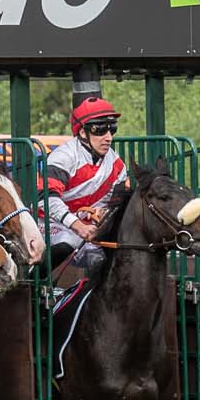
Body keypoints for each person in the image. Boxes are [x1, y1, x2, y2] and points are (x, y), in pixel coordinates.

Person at [44, 96, 127, 276]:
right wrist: (77, 225)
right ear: (82, 132)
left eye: (112, 129)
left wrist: (104, 213)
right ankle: (33, 287)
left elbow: (115, 206)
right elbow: (47, 199)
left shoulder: (118, 166)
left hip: (87, 227)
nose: (108, 137)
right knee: (70, 239)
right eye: (100, 130)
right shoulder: (63, 157)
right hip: (47, 222)